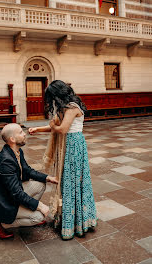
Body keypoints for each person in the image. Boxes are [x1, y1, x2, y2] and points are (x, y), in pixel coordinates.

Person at [29, 80, 97, 240]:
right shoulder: (65, 108)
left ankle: (76, 224)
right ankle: (67, 219)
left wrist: (52, 125)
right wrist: (38, 129)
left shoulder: (72, 108)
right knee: (67, 182)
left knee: (72, 182)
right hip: (66, 146)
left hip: (73, 147)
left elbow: (62, 128)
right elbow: (55, 126)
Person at [0, 123, 58, 239]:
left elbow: (27, 170)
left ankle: (25, 213)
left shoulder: (16, 150)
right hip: (3, 202)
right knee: (38, 217)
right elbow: (16, 193)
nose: (25, 134)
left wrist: (48, 178)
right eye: (20, 132)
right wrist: (39, 205)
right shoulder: (5, 161)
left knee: (40, 185)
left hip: (11, 194)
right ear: (12, 139)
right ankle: (0, 222)